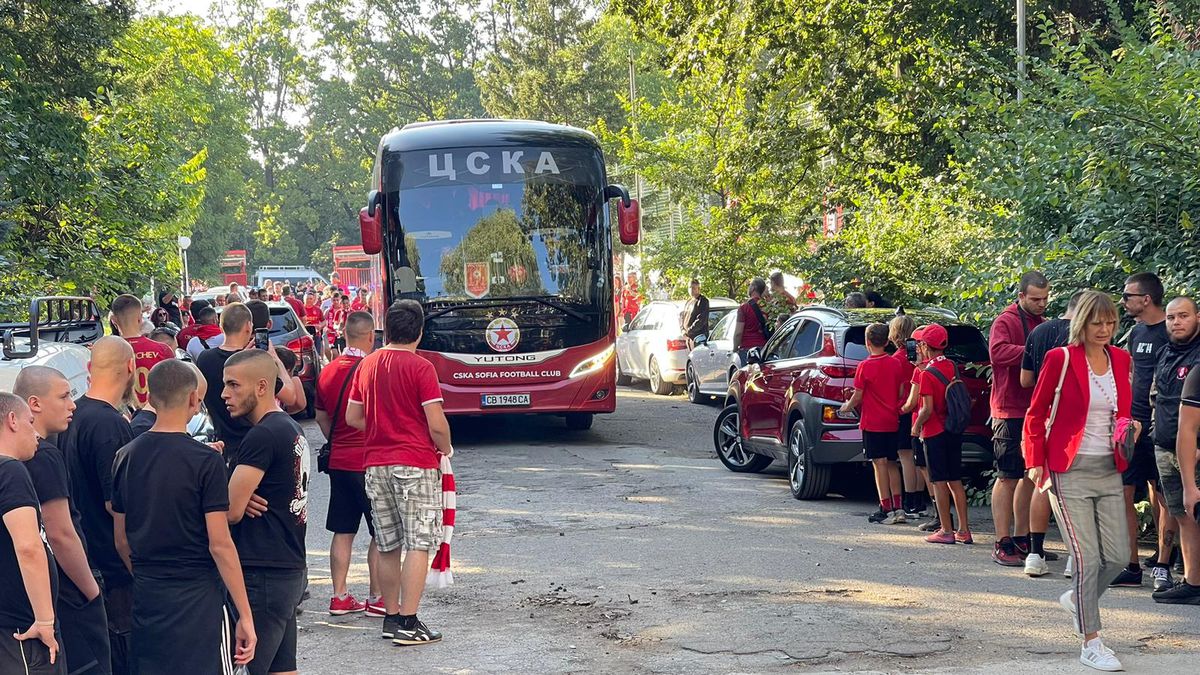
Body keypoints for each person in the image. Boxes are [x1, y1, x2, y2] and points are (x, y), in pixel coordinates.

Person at [111, 359, 255, 672]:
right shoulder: (205, 460)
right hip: (198, 595)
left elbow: (121, 538)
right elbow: (220, 544)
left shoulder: (125, 456)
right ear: (193, 399)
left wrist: (145, 574)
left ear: (149, 394)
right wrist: (245, 613)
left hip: (148, 592)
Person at [1023, 291, 1131, 670]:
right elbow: (1035, 415)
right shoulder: (1061, 358)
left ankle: (1077, 600)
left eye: (1110, 323)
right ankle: (1092, 643)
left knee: (1118, 556)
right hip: (1067, 469)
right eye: (1096, 323)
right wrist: (1036, 462)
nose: (1104, 330)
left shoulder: (1121, 359)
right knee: (1087, 558)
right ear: (1081, 323)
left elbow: (1123, 410)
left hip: (1108, 467)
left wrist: (1126, 427)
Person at [346, 300, 451, 645]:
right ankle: (409, 620)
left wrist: (382, 427)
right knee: (419, 542)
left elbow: (353, 417)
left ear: (386, 330)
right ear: (420, 331)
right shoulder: (421, 368)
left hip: (375, 464)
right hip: (415, 463)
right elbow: (436, 424)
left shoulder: (368, 365)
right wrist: (446, 448)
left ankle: (391, 616)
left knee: (388, 543)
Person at [15, 368, 110, 675]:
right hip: (70, 595)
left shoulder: (14, 460)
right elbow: (60, 533)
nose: (73, 404)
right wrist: (92, 591)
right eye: (65, 395)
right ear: (35, 403)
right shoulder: (44, 456)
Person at [222, 350, 309, 674]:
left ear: (261, 387)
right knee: (282, 669)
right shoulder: (288, 427)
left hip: (263, 572)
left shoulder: (263, 435)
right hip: (286, 567)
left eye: (233, 385)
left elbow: (229, 510)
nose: (224, 394)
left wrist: (233, 491)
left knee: (247, 669)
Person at [58, 336, 135, 673]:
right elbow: (116, 506)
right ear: (131, 368)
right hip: (113, 568)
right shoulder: (111, 425)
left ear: (90, 369)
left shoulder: (73, 414)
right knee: (124, 658)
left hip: (85, 559)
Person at [316, 311, 383, 617]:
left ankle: (339, 596)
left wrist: (337, 439)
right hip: (368, 461)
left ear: (344, 334)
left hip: (339, 463)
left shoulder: (327, 371)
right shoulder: (373, 369)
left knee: (343, 531)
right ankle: (377, 597)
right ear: (370, 336)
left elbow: (321, 417)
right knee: (381, 532)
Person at [1016, 289, 1084, 577]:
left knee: (1044, 484)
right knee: (1077, 489)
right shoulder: (1088, 337)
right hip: (1077, 420)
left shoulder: (1040, 330)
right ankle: (1073, 557)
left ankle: (1034, 553)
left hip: (1043, 415)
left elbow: (1025, 379)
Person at [988, 271, 1049, 566]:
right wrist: (1034, 350)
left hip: (1036, 410)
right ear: (1021, 296)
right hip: (1009, 409)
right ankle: (1002, 540)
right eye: (1036, 299)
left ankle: (1023, 537)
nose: (1041, 304)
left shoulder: (1043, 323)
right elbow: (997, 353)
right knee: (1008, 476)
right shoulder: (1006, 320)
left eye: (1045, 299)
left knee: (1031, 475)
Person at [0, 393, 61, 674]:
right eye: (30, 422)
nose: (36, 433)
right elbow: (28, 546)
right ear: (12, 420)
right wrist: (45, 621)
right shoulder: (10, 471)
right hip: (21, 628)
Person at [1121, 272, 1175, 591]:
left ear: (1146, 299)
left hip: (1159, 425)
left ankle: (1164, 562)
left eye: (1128, 296)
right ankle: (1130, 565)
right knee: (1125, 491)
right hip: (1133, 425)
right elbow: (1132, 374)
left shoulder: (1170, 332)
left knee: (1163, 495)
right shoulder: (1135, 331)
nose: (1124, 301)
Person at [195, 303, 297, 456]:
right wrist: (275, 358)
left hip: (222, 443)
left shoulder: (204, 358)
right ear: (249, 326)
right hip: (255, 443)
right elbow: (290, 397)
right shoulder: (254, 364)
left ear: (221, 327)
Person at [1151, 296, 1200, 604]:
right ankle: (1192, 582)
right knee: (1183, 515)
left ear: (1197, 317)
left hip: (1194, 450)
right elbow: (1156, 397)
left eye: (1183, 316)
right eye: (1171, 318)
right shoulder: (1166, 353)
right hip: (1165, 445)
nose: (1176, 322)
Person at [840, 323, 907, 524]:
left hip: (872, 421)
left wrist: (846, 406)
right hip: (892, 420)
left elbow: (858, 396)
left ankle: (885, 507)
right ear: (887, 341)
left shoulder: (865, 366)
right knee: (892, 463)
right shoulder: (895, 363)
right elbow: (902, 391)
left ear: (867, 342)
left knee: (879, 464)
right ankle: (899, 506)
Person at [912, 324, 971, 545]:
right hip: (953, 428)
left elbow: (927, 408)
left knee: (939, 481)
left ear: (925, 346)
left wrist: (916, 426)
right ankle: (964, 530)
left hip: (934, 431)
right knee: (955, 480)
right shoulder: (952, 366)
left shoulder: (927, 373)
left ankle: (946, 529)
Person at [890, 314, 929, 519]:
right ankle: (920, 500)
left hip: (903, 409)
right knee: (918, 457)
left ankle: (910, 499)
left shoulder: (896, 359)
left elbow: (896, 389)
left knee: (905, 456)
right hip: (921, 409)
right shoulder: (920, 357)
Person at [110, 294, 175, 408]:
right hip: (157, 415)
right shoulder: (163, 350)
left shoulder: (107, 353)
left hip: (123, 417)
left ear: (114, 320)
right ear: (140, 318)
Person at [731, 278, 771, 354]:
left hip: (747, 348)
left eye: (750, 285)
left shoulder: (744, 307)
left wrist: (735, 349)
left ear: (753, 287)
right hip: (764, 348)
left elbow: (738, 333)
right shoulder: (767, 307)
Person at [681, 279, 710, 349]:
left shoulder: (702, 301)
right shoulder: (688, 302)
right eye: (690, 288)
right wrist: (683, 330)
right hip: (689, 338)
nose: (691, 290)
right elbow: (683, 317)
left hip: (699, 339)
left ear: (698, 289)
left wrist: (689, 331)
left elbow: (701, 320)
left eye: (694, 288)